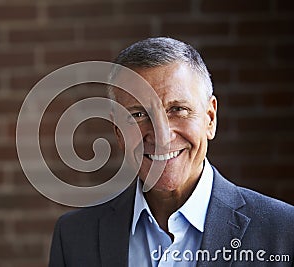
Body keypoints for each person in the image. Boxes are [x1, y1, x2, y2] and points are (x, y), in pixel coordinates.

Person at [48, 37, 294, 266]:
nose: (161, 136)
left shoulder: (284, 230)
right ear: (118, 132)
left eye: (178, 109)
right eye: (138, 114)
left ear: (210, 118)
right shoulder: (74, 238)